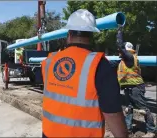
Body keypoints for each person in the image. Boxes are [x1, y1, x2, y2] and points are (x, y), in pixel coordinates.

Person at [41, 9, 128, 137]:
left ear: (69, 34)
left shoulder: (49, 61)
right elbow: (112, 113)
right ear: (91, 36)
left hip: (49, 134)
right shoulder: (101, 65)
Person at [110, 25, 156, 137]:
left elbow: (120, 46)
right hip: (128, 88)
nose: (119, 52)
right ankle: (128, 129)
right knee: (128, 109)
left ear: (126, 50)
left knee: (143, 109)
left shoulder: (130, 57)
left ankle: (151, 131)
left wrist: (119, 31)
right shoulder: (123, 60)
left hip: (136, 88)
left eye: (121, 50)